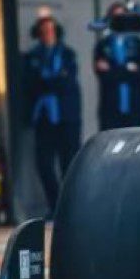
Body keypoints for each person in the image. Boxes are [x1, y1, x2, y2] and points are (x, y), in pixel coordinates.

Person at [21, 15, 82, 210]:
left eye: (51, 30)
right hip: (43, 117)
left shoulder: (67, 54)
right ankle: (54, 205)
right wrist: (52, 81)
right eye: (44, 31)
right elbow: (30, 84)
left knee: (69, 163)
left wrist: (46, 81)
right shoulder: (31, 56)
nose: (48, 34)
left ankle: (70, 206)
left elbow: (66, 82)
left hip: (66, 117)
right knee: (44, 164)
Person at [93, 0, 140, 130]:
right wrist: (127, 69)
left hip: (135, 104)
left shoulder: (138, 44)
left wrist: (114, 69)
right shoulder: (103, 45)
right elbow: (103, 75)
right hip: (110, 105)